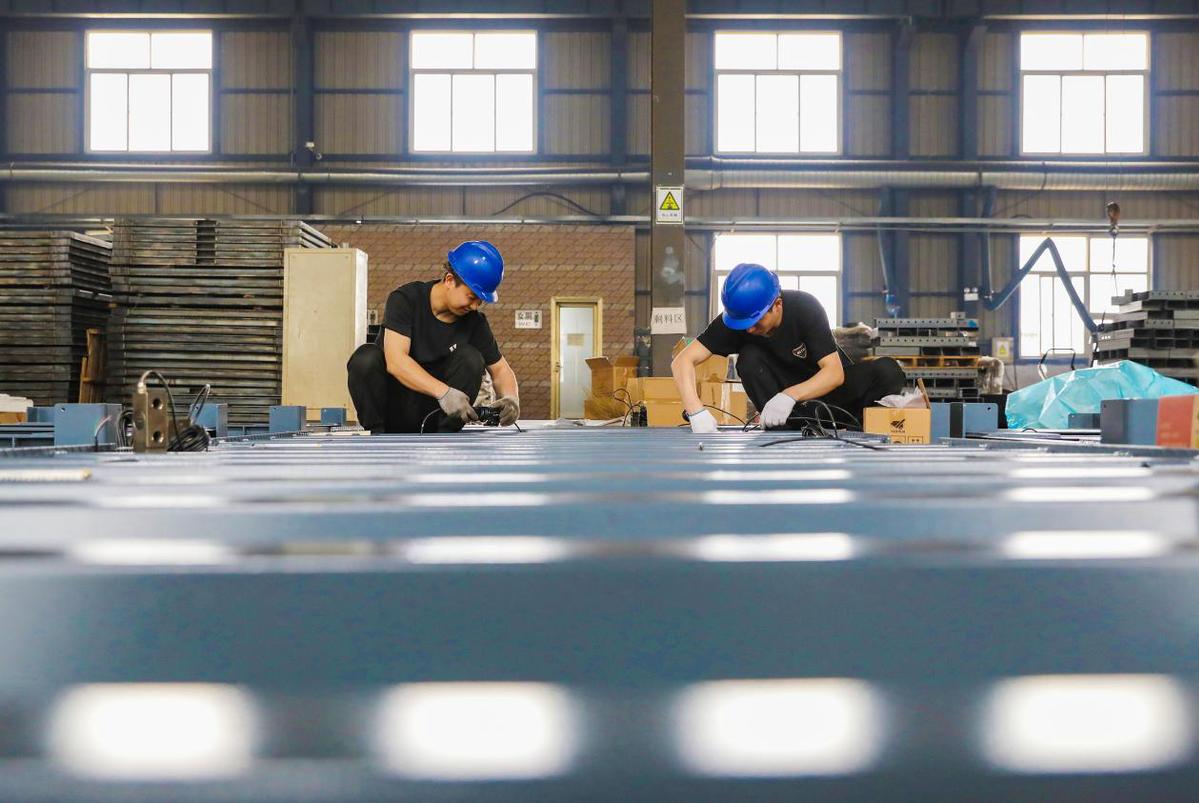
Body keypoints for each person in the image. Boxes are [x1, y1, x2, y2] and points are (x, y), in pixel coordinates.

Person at [672, 262, 906, 433]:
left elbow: (834, 374)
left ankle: (857, 427)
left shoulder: (805, 308)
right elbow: (682, 361)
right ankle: (781, 429)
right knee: (749, 357)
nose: (749, 329)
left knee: (888, 370)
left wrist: (789, 395)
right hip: (788, 414)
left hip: (830, 397)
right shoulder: (737, 320)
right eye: (742, 324)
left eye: (756, 322)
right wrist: (696, 411)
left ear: (777, 305)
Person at [346, 240, 520, 433]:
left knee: (471, 358)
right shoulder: (406, 300)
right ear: (449, 280)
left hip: (439, 416)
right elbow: (396, 361)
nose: (474, 307)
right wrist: (444, 393)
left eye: (480, 301)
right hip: (393, 411)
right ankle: (377, 434)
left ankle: (446, 436)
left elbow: (501, 370)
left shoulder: (474, 323)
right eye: (471, 297)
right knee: (365, 358)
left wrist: (511, 399)